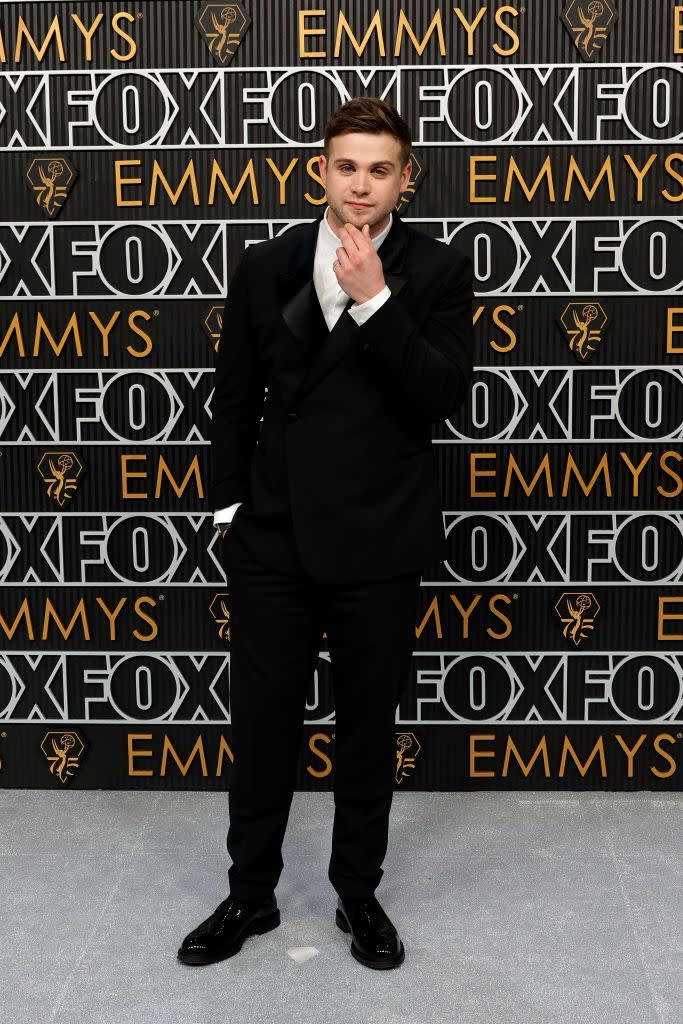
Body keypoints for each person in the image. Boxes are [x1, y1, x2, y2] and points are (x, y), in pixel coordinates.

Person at [177, 97, 474, 970]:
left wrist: (377, 302)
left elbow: (440, 398)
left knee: (365, 729)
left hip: (380, 537)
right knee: (262, 723)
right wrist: (231, 509)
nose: (360, 183)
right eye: (346, 165)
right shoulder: (264, 262)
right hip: (272, 535)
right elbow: (234, 397)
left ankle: (357, 895)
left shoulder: (436, 271)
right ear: (320, 171)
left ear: (404, 180)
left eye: (380, 168)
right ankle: (249, 896)